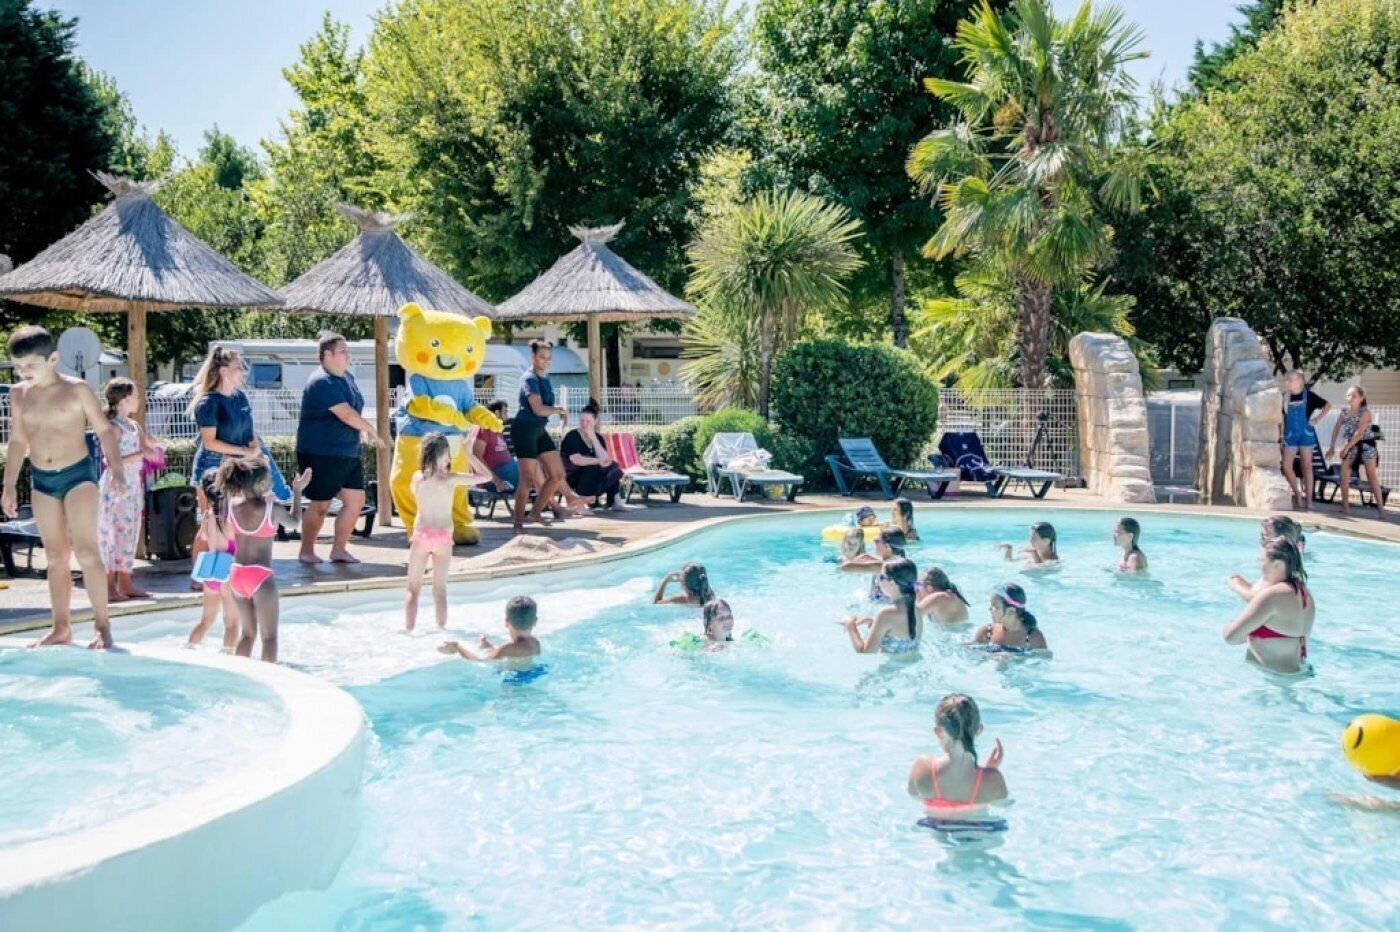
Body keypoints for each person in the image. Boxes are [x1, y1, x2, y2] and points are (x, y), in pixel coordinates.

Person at [2, 326, 127, 649]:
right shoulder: (18, 394)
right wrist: (9, 486)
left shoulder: (77, 390)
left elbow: (104, 431)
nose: (23, 372)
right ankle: (61, 628)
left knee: (86, 551)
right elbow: (18, 441)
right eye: (18, 367)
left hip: (77, 475)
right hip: (42, 480)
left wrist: (117, 471)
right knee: (56, 558)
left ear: (53, 359)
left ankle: (102, 625)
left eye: (31, 365)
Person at [295, 333, 384, 565]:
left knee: (355, 501)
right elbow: (344, 413)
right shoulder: (321, 381)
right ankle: (306, 551)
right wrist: (372, 431)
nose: (348, 355)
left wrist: (363, 430)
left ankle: (338, 550)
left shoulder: (347, 378)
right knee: (320, 504)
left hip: (347, 452)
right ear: (328, 355)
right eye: (343, 351)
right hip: (321, 453)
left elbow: (353, 411)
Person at [215, 457, 310, 663]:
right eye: (269, 479)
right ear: (260, 484)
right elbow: (294, 523)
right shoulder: (271, 508)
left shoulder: (232, 505)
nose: (271, 482)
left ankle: (241, 677)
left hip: (237, 573)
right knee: (269, 637)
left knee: (247, 634)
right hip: (260, 575)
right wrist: (297, 490)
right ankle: (269, 681)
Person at [187, 345, 260, 591]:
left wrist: (254, 449)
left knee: (233, 523)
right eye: (238, 367)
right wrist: (244, 452)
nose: (242, 372)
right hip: (212, 469)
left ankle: (226, 571)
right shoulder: (208, 403)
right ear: (223, 371)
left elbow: (249, 432)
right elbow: (210, 442)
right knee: (211, 523)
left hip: (237, 468)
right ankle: (198, 575)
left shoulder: (240, 398)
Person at [404, 431, 493, 632]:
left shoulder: (417, 478)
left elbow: (416, 493)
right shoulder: (450, 479)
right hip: (443, 538)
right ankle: (441, 629)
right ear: (444, 455)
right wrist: (469, 454)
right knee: (440, 591)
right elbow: (486, 476)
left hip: (421, 535)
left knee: (412, 589)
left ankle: (409, 630)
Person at [98, 377, 160, 601]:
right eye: (135, 396)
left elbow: (144, 444)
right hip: (116, 484)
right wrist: (142, 454)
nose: (139, 400)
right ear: (124, 400)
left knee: (130, 532)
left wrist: (152, 446)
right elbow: (110, 460)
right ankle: (107, 587)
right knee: (110, 534)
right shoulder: (112, 428)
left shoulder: (133, 425)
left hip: (133, 484)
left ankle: (125, 583)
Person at [907, 694, 1008, 823]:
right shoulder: (992, 780)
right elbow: (1003, 804)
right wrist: (990, 771)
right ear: (979, 730)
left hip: (936, 833)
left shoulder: (921, 768)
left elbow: (913, 796)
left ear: (938, 732)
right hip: (979, 834)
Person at [1222, 536, 1314, 674]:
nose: (1259, 565)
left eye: (1261, 560)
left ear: (1277, 564)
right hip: (1298, 673)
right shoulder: (1304, 593)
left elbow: (1230, 637)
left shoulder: (1273, 596)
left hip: (1272, 679)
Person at [511, 341, 572, 529]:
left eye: (549, 358)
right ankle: (518, 524)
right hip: (524, 430)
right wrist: (558, 410)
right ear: (533, 357)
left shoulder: (544, 379)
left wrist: (558, 412)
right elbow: (537, 409)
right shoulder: (529, 379)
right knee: (527, 480)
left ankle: (535, 512)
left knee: (558, 474)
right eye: (542, 357)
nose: (546, 361)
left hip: (538, 430)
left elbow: (543, 411)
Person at [186, 469, 240, 651]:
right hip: (228, 570)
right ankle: (228, 656)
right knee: (232, 623)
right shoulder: (231, 518)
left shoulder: (208, 516)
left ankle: (189, 647)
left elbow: (202, 538)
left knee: (205, 621)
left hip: (211, 571)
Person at [842, 557, 922, 654]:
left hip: (890, 668)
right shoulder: (916, 608)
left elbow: (865, 652)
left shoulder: (886, 614)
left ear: (892, 584)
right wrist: (872, 623)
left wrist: (850, 624)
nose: (877, 580)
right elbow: (898, 632)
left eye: (881, 577)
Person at [1327, 385, 1384, 519]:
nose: (1350, 398)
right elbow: (1336, 429)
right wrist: (1332, 446)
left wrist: (1346, 448)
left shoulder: (1365, 413)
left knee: (1372, 477)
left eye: (1354, 396)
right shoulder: (1344, 412)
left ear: (1361, 398)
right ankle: (1345, 507)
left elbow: (1359, 433)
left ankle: (1381, 509)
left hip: (1366, 446)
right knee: (1343, 475)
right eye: (1349, 395)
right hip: (1351, 446)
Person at [439, 595, 541, 667]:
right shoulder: (535, 643)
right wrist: (487, 646)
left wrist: (458, 648)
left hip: (514, 685)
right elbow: (512, 654)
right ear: (535, 621)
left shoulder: (506, 648)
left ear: (506, 622)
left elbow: (481, 662)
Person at [561, 399, 626, 511]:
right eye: (582, 421)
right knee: (592, 466)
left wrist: (593, 438)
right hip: (571, 475)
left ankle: (616, 502)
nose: (584, 424)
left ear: (595, 421)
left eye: (588, 421)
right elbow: (576, 460)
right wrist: (597, 461)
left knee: (612, 466)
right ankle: (580, 505)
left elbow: (605, 459)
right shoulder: (572, 436)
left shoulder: (598, 437)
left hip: (590, 476)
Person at [1281, 370, 1330, 511]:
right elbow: (1281, 418)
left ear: (1301, 380)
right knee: (1286, 465)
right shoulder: (1284, 397)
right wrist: (1281, 436)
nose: (1288, 382)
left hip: (1306, 434)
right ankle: (1297, 493)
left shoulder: (1310, 396)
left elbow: (1327, 405)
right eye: (1287, 379)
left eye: (1291, 379)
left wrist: (1317, 419)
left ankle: (1309, 500)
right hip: (1290, 435)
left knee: (1307, 466)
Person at [972, 583, 1049, 654]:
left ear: (1011, 611)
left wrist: (1015, 658)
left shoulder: (1032, 637)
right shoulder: (987, 632)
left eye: (995, 606)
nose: (990, 609)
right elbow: (972, 655)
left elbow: (1043, 661)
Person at [472, 400, 520, 494]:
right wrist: (496, 481)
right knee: (527, 466)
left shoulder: (497, 429)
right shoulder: (484, 429)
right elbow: (476, 457)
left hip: (506, 473)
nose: (507, 415)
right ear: (497, 413)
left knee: (532, 464)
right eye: (505, 412)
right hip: (493, 479)